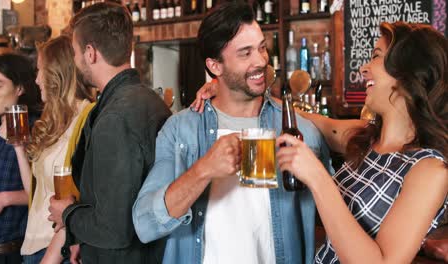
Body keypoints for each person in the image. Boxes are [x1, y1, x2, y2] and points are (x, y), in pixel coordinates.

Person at [133, 2, 333, 264]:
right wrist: (204, 169)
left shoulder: (300, 133)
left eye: (261, 47)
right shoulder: (181, 131)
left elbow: (336, 228)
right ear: (215, 66)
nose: (261, 60)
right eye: (245, 53)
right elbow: (145, 223)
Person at [275, 22, 447, 263]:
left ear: (408, 73)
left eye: (376, 56)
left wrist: (317, 177)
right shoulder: (368, 137)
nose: (364, 69)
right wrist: (238, 93)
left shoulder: (429, 170)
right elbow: (315, 121)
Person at [47, 2, 171, 263]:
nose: (75, 60)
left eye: (75, 52)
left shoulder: (115, 117)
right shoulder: (150, 100)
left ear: (90, 53)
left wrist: (67, 214)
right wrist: (83, 237)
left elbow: (114, 229)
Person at [13, 35, 94, 264]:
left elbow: (81, 199)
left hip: (60, 251)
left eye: (41, 70)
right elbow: (36, 197)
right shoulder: (51, 121)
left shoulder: (87, 116)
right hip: (32, 246)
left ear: (58, 73)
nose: (37, 80)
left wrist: (51, 258)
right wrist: (19, 149)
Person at [0, 53, 42, 263]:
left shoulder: (38, 130)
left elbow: (44, 193)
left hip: (13, 254)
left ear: (20, 88)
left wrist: (4, 199)